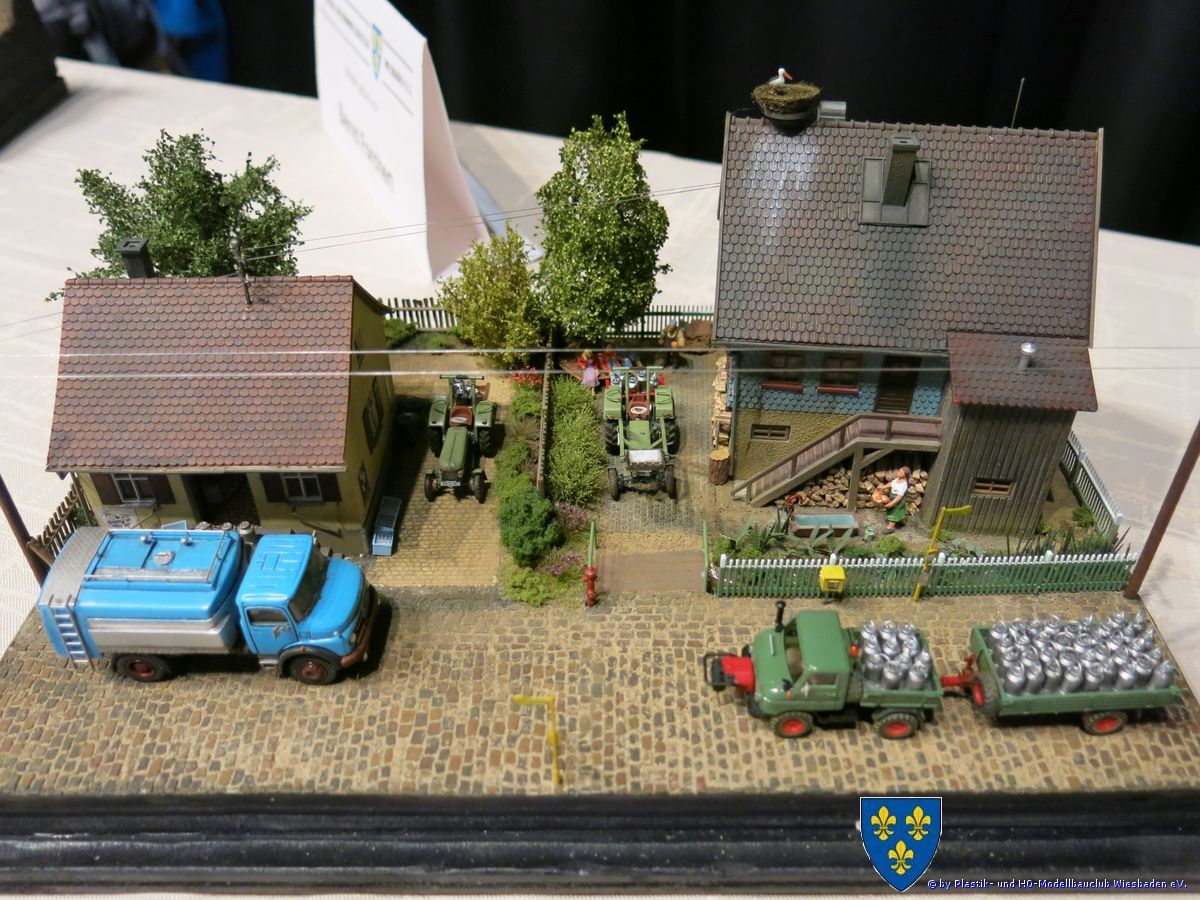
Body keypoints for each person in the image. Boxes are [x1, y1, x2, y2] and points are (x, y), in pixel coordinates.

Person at [879, 467, 912, 532]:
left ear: (905, 475)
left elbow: (899, 497)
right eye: (899, 471)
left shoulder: (903, 485)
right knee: (899, 511)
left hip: (897, 501)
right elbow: (891, 484)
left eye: (901, 472)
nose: (898, 473)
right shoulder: (897, 479)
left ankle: (890, 527)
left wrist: (892, 503)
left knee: (894, 512)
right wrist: (883, 487)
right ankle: (902, 521)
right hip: (892, 498)